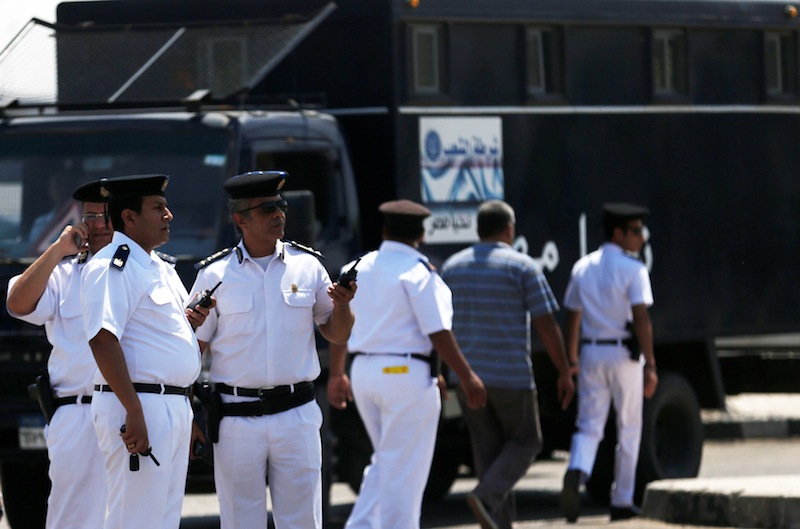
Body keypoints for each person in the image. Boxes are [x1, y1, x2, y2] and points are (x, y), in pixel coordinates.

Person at [189, 170, 355, 529]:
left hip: (296, 415)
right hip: (236, 418)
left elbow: (337, 335)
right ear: (240, 219)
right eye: (266, 208)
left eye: (280, 205)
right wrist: (187, 412)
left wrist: (342, 305)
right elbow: (192, 349)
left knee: (302, 522)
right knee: (240, 522)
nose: (278, 213)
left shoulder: (309, 267)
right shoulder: (215, 275)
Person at [327, 199, 488, 529]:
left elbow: (341, 324)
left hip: (364, 372)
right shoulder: (419, 273)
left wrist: (338, 372)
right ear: (422, 235)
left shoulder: (355, 267)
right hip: (404, 375)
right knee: (405, 471)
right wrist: (466, 376)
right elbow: (438, 331)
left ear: (384, 230)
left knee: (388, 460)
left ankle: (360, 526)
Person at [81, 174, 208, 529]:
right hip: (138, 404)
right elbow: (102, 339)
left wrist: (188, 408)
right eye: (158, 208)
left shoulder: (161, 268)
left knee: (162, 521)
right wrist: (133, 409)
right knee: (134, 520)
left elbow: (164, 342)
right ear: (129, 217)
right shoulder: (112, 266)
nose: (168, 215)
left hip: (170, 404)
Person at [440, 199, 575, 529]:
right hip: (511, 377)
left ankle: (494, 513)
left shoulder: (452, 267)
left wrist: (443, 374)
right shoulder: (522, 266)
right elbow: (546, 324)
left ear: (478, 229)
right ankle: (486, 495)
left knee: (490, 454)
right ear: (509, 230)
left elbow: (438, 325)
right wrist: (564, 370)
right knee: (527, 442)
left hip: (467, 378)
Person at [6, 179, 112, 529]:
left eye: (105, 216)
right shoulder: (65, 274)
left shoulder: (152, 271)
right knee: (71, 519)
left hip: (132, 412)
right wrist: (56, 250)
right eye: (90, 216)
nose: (97, 224)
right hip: (77, 413)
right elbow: (18, 303)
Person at [559, 202, 659, 523]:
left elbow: (572, 315)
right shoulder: (634, 269)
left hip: (590, 353)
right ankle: (621, 500)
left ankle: (578, 469)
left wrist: (571, 360)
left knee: (589, 424)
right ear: (618, 233)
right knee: (629, 428)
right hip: (624, 355)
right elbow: (641, 318)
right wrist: (652, 365)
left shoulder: (582, 267)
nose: (641, 238)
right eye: (635, 231)